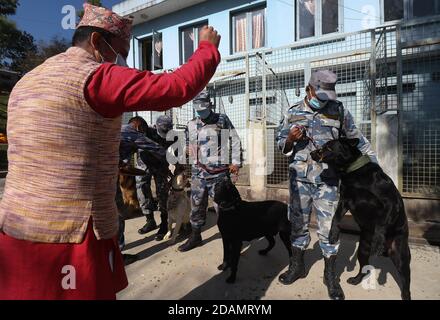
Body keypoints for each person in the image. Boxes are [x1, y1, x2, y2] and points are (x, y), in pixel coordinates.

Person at [0, 3, 221, 300]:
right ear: (95, 41)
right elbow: (175, 87)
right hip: (71, 233)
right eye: (122, 52)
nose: (123, 63)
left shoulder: (25, 82)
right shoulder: (93, 77)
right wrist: (206, 49)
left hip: (15, 229)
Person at [276, 70, 378, 300]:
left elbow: (358, 141)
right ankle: (297, 266)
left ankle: (330, 276)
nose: (323, 100)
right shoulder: (292, 112)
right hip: (299, 181)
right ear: (309, 89)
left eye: (327, 95)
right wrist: (291, 139)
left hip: (328, 181)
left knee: (330, 229)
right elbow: (280, 143)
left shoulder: (338, 111)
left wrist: (375, 170)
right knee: (298, 225)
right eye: (319, 94)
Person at [178, 90, 242, 252]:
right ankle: (196, 236)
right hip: (198, 173)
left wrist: (236, 161)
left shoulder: (222, 119)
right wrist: (187, 150)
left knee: (223, 206)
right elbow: (186, 144)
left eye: (203, 109)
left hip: (218, 173)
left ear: (210, 105)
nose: (201, 113)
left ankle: (231, 239)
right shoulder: (191, 124)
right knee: (197, 204)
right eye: (198, 110)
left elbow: (234, 139)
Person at [136, 115, 179, 241]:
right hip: (145, 161)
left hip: (161, 164)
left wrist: (174, 169)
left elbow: (175, 156)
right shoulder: (147, 132)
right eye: (163, 131)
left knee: (162, 193)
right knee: (141, 187)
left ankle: (164, 223)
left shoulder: (174, 137)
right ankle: (149, 220)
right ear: (156, 126)